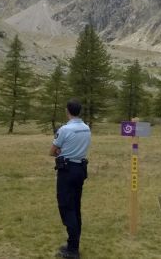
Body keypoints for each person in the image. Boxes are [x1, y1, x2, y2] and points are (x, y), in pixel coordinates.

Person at [49, 99, 91, 259]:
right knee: (75, 205)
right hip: (80, 169)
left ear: (67, 111)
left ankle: (72, 249)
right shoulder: (86, 128)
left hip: (67, 170)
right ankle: (73, 243)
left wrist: (62, 151)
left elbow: (52, 151)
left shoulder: (65, 129)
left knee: (66, 207)